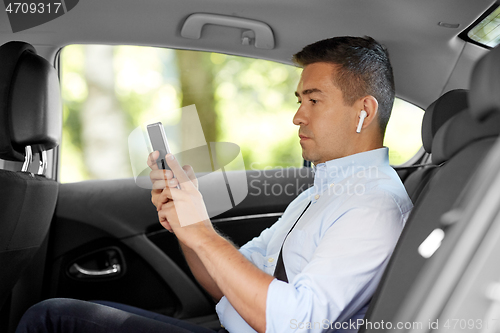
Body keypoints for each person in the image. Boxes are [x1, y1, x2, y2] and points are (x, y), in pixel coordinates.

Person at [16, 36, 412, 333]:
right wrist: (187, 223)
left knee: (52, 319)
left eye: (313, 101)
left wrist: (204, 234)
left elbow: (296, 321)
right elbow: (226, 286)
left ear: (364, 110)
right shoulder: (322, 193)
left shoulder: (373, 206)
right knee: (61, 312)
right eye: (298, 101)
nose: (297, 117)